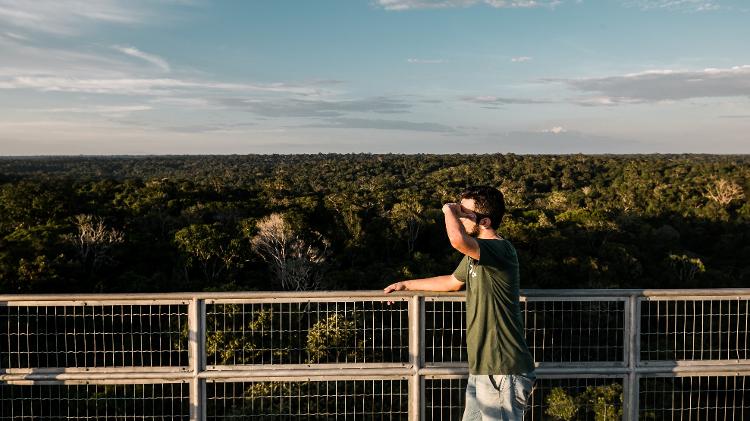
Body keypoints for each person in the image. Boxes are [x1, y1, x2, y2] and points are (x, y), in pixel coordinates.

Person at [384, 185, 535, 420]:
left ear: (484, 222)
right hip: (483, 368)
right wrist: (406, 284)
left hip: (503, 369)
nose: (460, 217)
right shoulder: (476, 256)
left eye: (466, 214)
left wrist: (448, 211)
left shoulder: (500, 249)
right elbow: (452, 282)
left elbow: (456, 240)